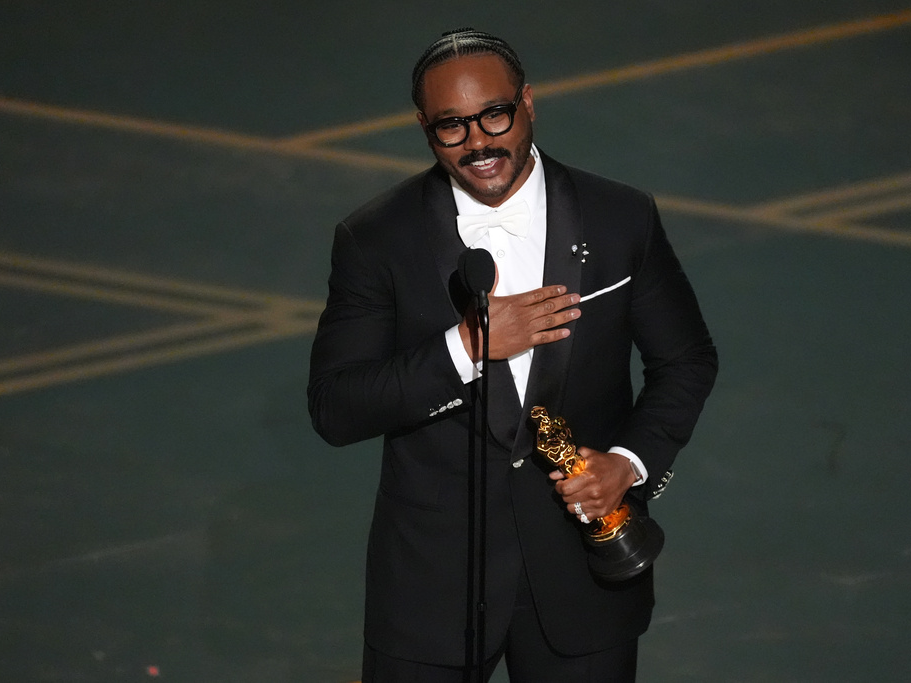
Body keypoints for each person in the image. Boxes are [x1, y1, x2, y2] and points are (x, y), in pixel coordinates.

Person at [308, 28, 718, 683]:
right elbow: (337, 406)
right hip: (431, 590)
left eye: (494, 114)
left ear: (528, 102)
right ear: (423, 126)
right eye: (450, 127)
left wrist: (628, 465)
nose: (478, 142)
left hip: (583, 578)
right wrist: (468, 347)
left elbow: (687, 360)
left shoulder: (620, 218)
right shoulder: (375, 238)